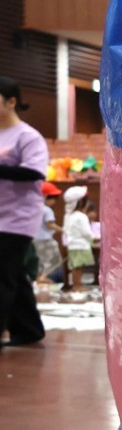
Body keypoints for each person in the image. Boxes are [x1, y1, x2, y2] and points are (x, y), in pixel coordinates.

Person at [0, 77, 49, 350]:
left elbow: (34, 172)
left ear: (11, 101)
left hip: (17, 218)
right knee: (13, 274)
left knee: (3, 275)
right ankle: (29, 329)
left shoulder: (28, 136)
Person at [62, 186, 95, 296]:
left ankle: (77, 285)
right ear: (81, 202)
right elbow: (87, 233)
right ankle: (77, 286)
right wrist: (95, 238)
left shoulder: (68, 216)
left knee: (75, 267)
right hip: (81, 245)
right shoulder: (82, 216)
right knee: (79, 267)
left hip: (72, 245)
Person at [33, 182, 63, 284]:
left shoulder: (35, 208)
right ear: (45, 196)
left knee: (39, 260)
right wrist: (63, 229)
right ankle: (43, 277)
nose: (54, 202)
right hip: (45, 239)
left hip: (35, 238)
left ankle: (39, 277)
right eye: (53, 198)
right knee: (53, 259)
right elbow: (50, 224)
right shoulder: (47, 210)